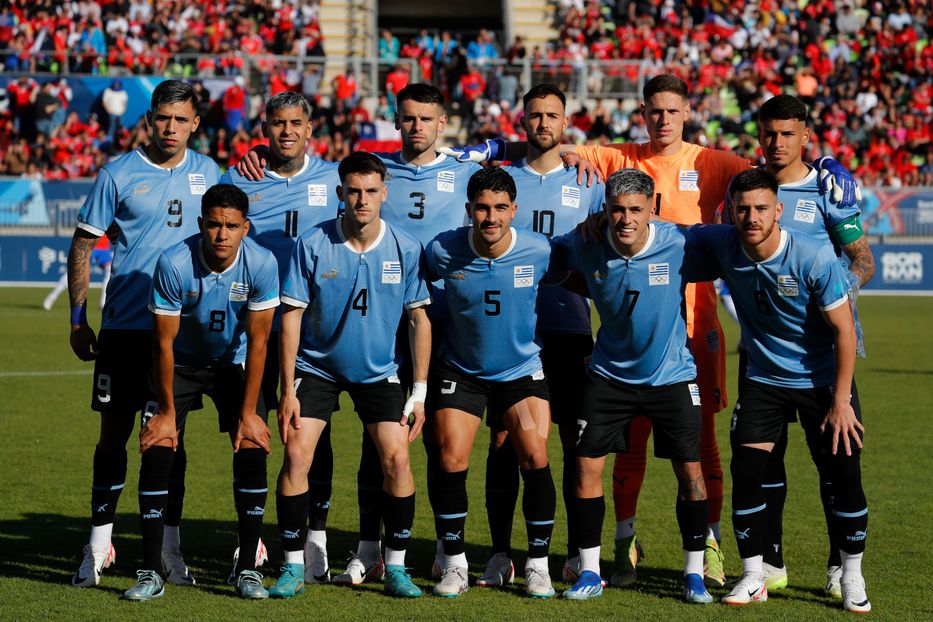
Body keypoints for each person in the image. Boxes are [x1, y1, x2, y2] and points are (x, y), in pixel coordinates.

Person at [441, 73, 860, 588]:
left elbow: (768, 179)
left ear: (688, 113)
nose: (662, 119)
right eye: (653, 110)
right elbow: (552, 143)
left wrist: (819, 168)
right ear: (643, 113)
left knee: (704, 446)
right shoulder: (618, 158)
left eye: (672, 110)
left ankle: (708, 549)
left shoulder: (714, 163)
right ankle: (618, 543)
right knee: (614, 447)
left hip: (695, 332)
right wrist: (499, 147)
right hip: (606, 338)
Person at [693, 169, 870, 613]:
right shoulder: (723, 243)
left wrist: (842, 400)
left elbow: (844, 332)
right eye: (743, 209)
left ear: (780, 211)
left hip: (821, 382)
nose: (751, 217)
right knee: (748, 474)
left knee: (844, 477)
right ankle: (754, 574)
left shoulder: (812, 257)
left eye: (761, 209)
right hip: (764, 382)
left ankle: (851, 575)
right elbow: (672, 232)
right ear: (731, 210)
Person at [67, 80, 220, 589]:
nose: (171, 128)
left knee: (170, 440)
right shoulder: (119, 173)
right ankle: (96, 547)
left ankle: (170, 551)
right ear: (150, 120)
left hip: (181, 335)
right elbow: (83, 245)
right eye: (163, 118)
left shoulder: (209, 172)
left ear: (195, 124)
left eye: (181, 119)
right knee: (112, 438)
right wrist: (77, 317)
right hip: (125, 329)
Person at [721, 94, 875, 595]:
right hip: (761, 354)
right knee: (762, 465)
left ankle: (840, 567)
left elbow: (863, 262)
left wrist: (830, 296)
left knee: (835, 465)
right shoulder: (745, 191)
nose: (777, 143)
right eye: (769, 133)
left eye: (788, 133)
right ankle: (769, 562)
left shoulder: (830, 187)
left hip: (823, 357)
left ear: (806, 135)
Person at [269, 152, 430, 600]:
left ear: (384, 193)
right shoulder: (313, 244)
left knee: (397, 459)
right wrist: (288, 388)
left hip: (380, 372)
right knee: (297, 454)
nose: (362, 200)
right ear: (341, 194)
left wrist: (418, 392)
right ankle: (293, 565)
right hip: (317, 368)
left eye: (371, 191)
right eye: (354, 191)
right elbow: (292, 316)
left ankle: (395, 566)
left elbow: (419, 320)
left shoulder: (406, 247)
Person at [551, 168, 716, 604]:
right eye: (617, 210)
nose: (626, 219)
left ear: (652, 210)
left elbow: (738, 244)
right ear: (605, 209)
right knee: (586, 467)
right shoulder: (584, 243)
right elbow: (547, 262)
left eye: (636, 210)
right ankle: (589, 572)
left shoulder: (681, 243)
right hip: (609, 377)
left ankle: (695, 573)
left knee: (691, 473)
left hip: (672, 377)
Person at [122, 184, 279, 601]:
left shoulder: (262, 263)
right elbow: (163, 345)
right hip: (181, 364)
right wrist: (168, 412)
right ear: (200, 225)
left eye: (231, 226)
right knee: (158, 448)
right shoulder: (174, 262)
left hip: (235, 363)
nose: (222, 234)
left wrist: (248, 413)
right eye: (213, 224)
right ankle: (151, 571)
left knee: (251, 446)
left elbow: (261, 343)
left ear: (246, 227)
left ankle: (247, 569)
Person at [476, 83, 604, 588]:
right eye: (535, 115)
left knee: (577, 443)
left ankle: (576, 552)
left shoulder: (588, 180)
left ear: (565, 120)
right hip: (510, 334)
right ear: (521, 121)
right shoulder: (502, 178)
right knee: (506, 441)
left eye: (553, 115)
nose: (544, 123)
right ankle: (500, 553)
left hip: (571, 328)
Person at [221, 90, 342, 586]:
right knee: (248, 428)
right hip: (252, 328)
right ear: (264, 128)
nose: (286, 131)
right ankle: (251, 538)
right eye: (277, 123)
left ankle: (316, 538)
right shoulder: (239, 179)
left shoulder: (335, 178)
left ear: (309, 129)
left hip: (313, 332)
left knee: (309, 434)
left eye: (296, 123)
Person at [425, 167, 556, 599]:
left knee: (536, 456)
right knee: (450, 458)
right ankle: (455, 562)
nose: (491, 216)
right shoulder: (442, 251)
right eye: (482, 207)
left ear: (514, 210)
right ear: (469, 210)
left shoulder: (539, 249)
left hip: (520, 371)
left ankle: (538, 565)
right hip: (460, 370)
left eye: (500, 207)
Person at [45, 235, 112, 311]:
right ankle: (51, 297)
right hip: (88, 244)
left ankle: (103, 302)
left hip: (103, 246)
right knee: (74, 272)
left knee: (110, 271)